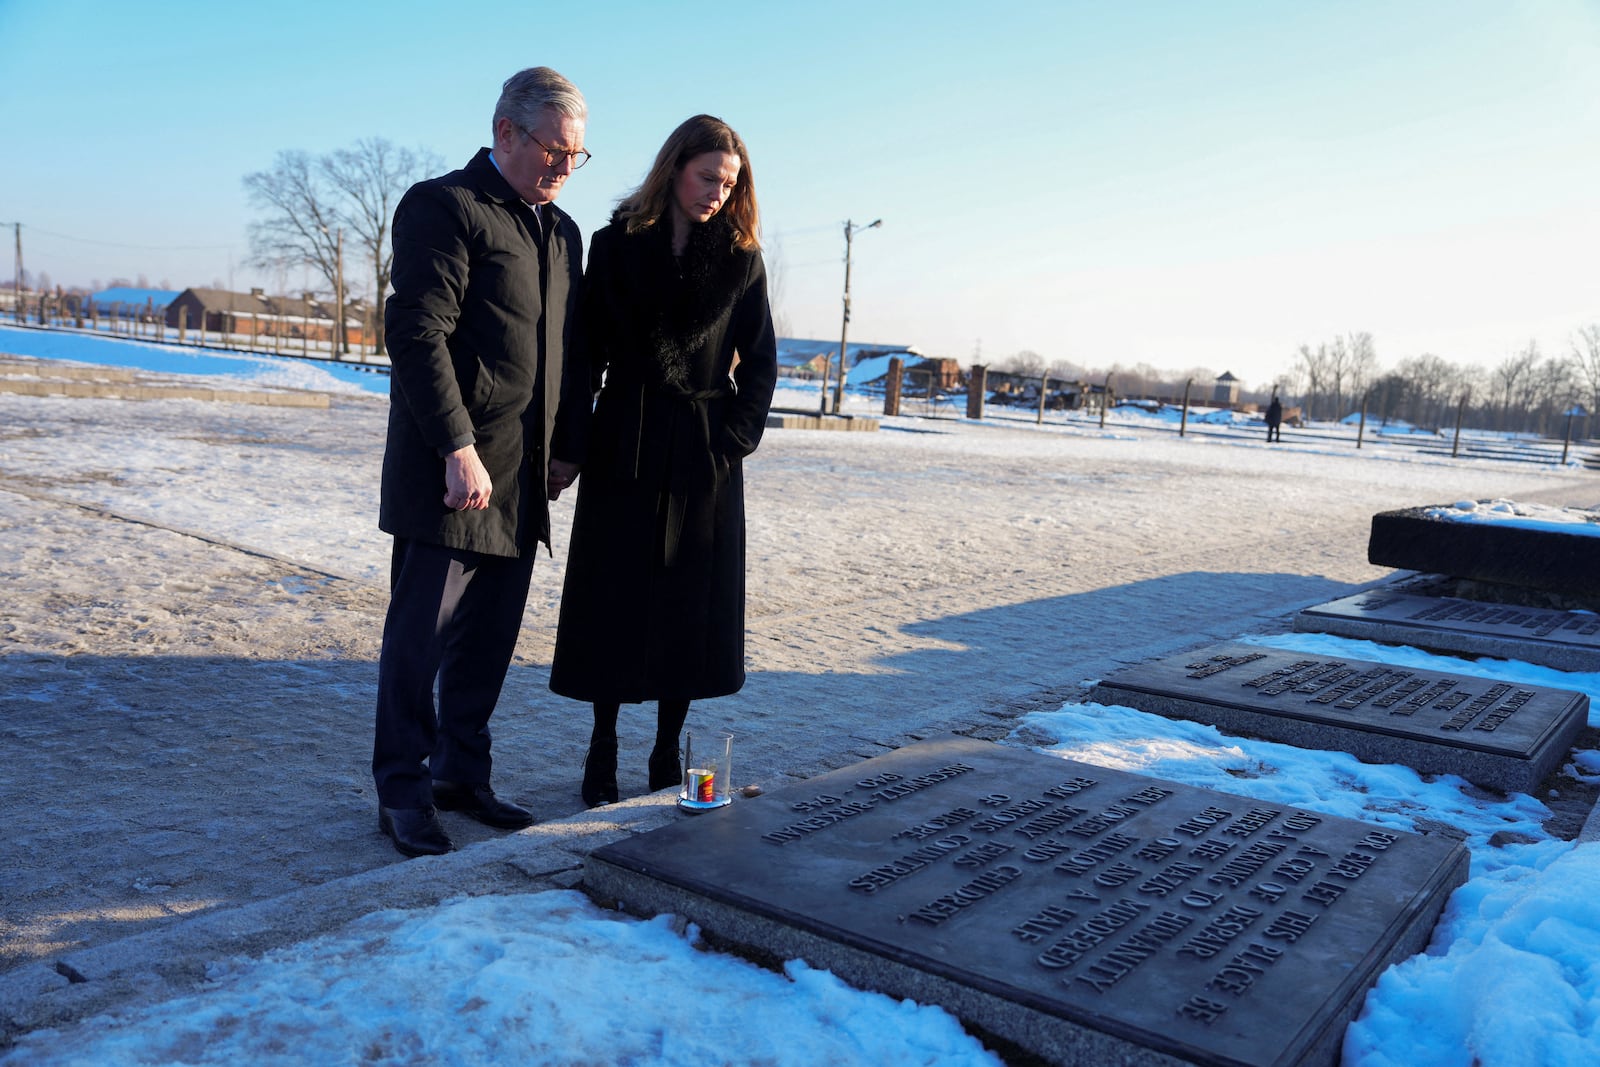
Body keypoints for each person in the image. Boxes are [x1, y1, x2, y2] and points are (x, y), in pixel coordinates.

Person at [372, 67, 592, 858]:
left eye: (577, 156)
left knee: (489, 639)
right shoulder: (445, 207)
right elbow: (417, 333)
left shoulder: (561, 234)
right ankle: (402, 790)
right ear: (505, 131)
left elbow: (568, 352)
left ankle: (462, 774)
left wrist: (568, 446)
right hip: (451, 471)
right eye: (553, 150)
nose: (564, 167)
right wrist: (457, 446)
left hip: (524, 476)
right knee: (420, 641)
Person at [549, 114, 777, 807]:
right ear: (674, 167)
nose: (716, 191)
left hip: (702, 452)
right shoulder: (615, 245)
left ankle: (664, 749)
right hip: (627, 435)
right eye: (707, 176)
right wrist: (572, 445)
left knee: (686, 602)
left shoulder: (742, 258)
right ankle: (603, 744)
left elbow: (762, 365)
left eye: (729, 182)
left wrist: (729, 440)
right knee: (614, 596)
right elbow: (583, 353)